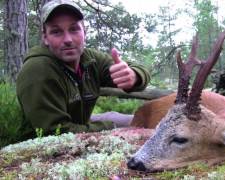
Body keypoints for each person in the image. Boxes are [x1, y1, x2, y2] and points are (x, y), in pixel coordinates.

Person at [16, 0, 150, 138]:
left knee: (139, 120)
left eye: (74, 29)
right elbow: (56, 132)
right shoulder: (37, 70)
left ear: (85, 31)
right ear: (45, 38)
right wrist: (113, 127)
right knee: (132, 126)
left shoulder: (90, 59)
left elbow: (138, 69)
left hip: (82, 128)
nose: (68, 39)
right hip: (40, 149)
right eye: (56, 32)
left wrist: (134, 76)